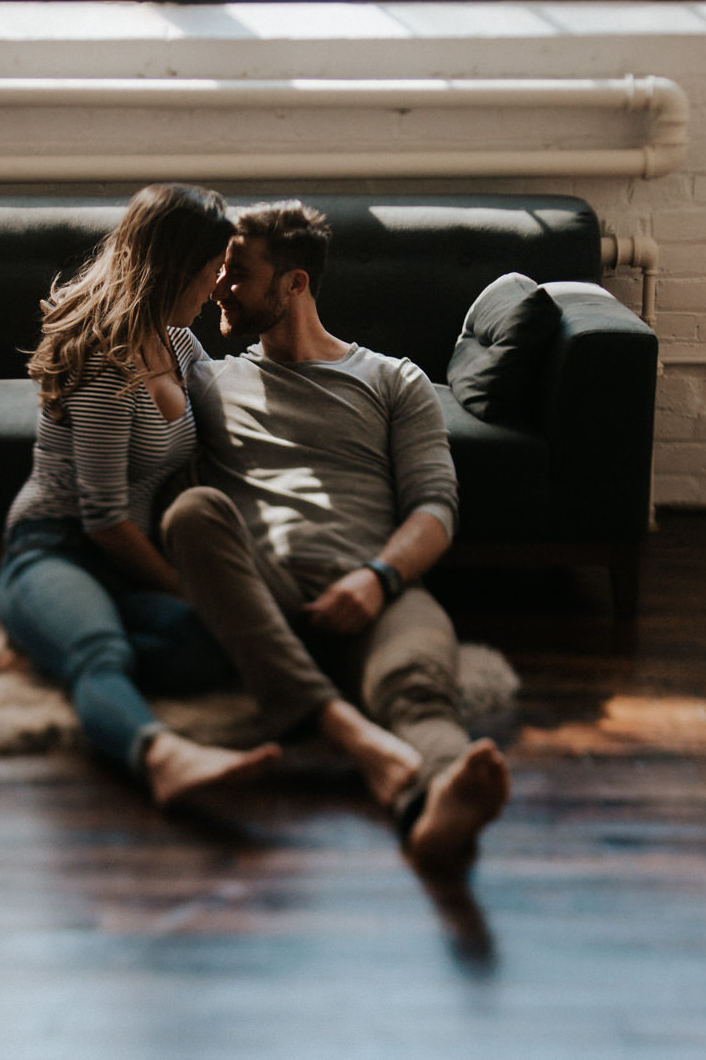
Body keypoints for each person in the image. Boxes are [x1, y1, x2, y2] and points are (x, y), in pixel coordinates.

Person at [162, 200, 513, 873]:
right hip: (263, 590)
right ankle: (354, 740)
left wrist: (378, 579)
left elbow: (436, 507)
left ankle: (435, 804)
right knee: (193, 513)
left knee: (416, 688)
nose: (219, 288)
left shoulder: (393, 379)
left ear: (294, 284)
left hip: (373, 585)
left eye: (238, 273)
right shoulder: (208, 378)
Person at [0, 183, 283, 808]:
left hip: (123, 565)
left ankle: (37, 650)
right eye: (208, 273)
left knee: (213, 643)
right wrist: (183, 585)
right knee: (103, 652)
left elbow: (229, 442)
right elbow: (104, 520)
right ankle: (161, 754)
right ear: (171, 272)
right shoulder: (103, 366)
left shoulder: (179, 341)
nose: (215, 290)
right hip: (57, 549)